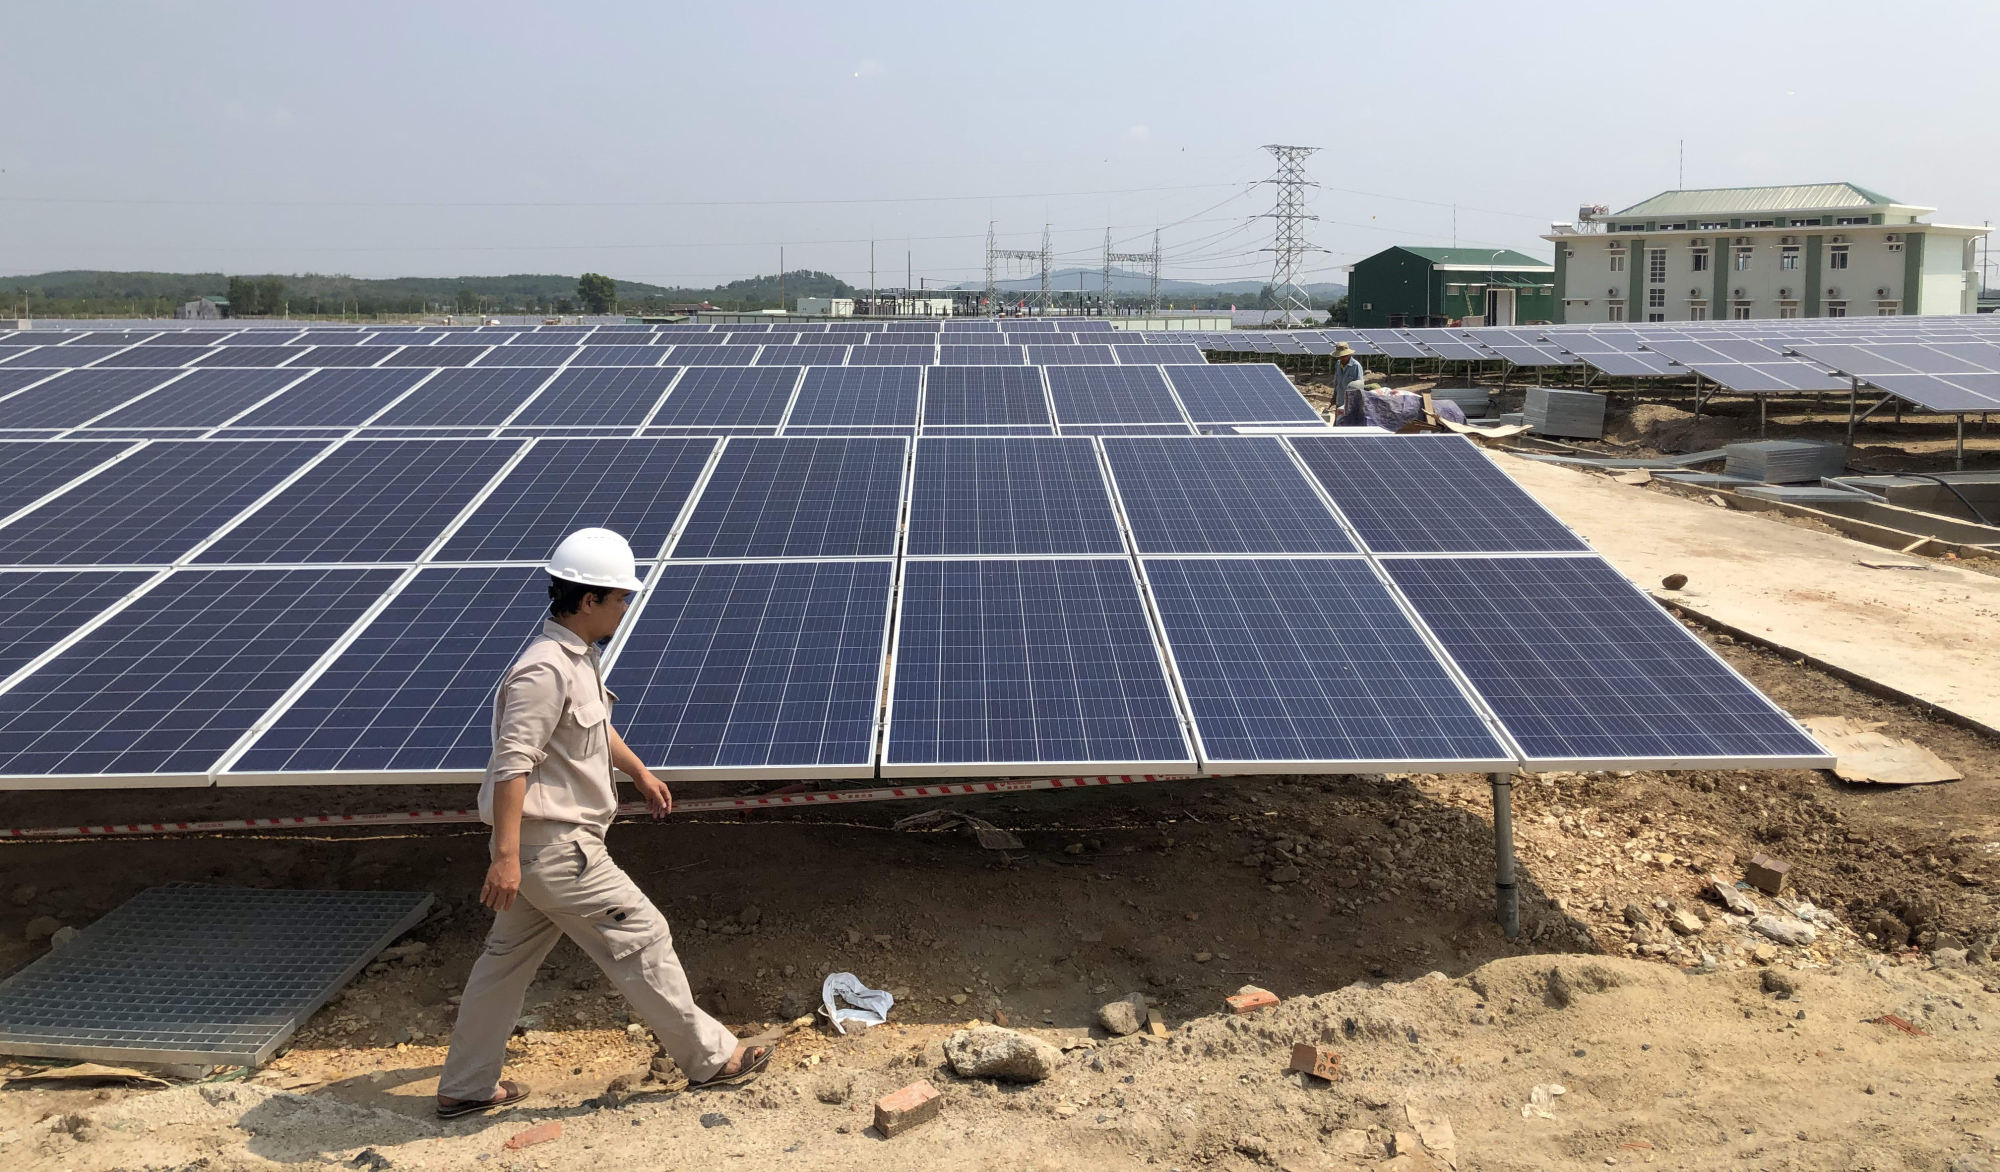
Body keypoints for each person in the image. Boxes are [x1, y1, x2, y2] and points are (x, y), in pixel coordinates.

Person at [435, 528, 770, 1119]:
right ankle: (711, 1059)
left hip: (545, 854)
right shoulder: (542, 671)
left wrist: (638, 770)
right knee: (642, 936)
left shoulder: (577, 659)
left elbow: (589, 729)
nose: (625, 607)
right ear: (588, 600)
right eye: (619, 598)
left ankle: (465, 1086)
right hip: (557, 852)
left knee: (503, 963)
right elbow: (513, 765)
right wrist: (505, 857)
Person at [1331, 342, 1366, 409]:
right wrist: (1334, 397)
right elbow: (1337, 383)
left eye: (1344, 356)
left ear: (1349, 354)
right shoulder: (1338, 364)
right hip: (1340, 401)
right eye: (1340, 357)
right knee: (1338, 419)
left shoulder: (1356, 366)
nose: (1342, 358)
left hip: (1351, 404)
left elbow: (1360, 388)